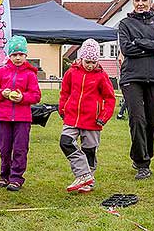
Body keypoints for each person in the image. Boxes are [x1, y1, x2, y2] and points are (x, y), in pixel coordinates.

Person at [118, 0, 154, 180]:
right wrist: (153, 46)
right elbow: (126, 48)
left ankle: (142, 154)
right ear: (133, 2)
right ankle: (142, 163)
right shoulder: (125, 24)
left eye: (144, 0)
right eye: (137, 0)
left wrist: (139, 42)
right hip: (132, 77)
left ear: (151, 2)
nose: (140, 4)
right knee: (137, 119)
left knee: (153, 121)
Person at [58, 39, 116, 193]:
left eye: (94, 62)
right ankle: (83, 174)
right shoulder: (71, 72)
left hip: (93, 120)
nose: (90, 65)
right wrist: (62, 109)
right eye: (88, 61)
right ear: (81, 58)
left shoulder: (102, 76)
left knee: (89, 149)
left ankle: (88, 181)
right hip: (71, 117)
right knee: (65, 142)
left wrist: (103, 117)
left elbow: (110, 98)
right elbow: (65, 92)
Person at [0, 35, 41, 191]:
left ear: (26, 55)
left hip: (22, 119)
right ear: (9, 55)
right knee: (4, 148)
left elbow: (36, 95)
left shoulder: (30, 74)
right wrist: (2, 93)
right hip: (4, 117)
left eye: (21, 54)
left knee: (20, 148)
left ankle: (16, 178)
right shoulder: (2, 72)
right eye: (14, 54)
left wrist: (22, 97)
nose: (18, 58)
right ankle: (4, 175)